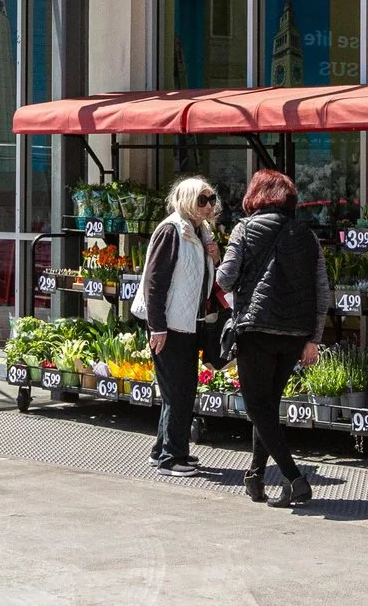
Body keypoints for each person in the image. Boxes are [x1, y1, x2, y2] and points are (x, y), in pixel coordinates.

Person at [216, 167, 329, 507]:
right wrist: (314, 337)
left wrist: (214, 258)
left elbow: (225, 279)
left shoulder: (244, 230)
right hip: (294, 333)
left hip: (257, 329)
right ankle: (254, 476)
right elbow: (322, 291)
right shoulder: (307, 235)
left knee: (257, 406)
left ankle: (294, 479)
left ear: (256, 196)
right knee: (268, 405)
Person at [134, 175, 221, 472]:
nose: (209, 205)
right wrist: (157, 326)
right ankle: (173, 457)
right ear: (186, 200)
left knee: (179, 390)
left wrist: (215, 256)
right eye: (202, 199)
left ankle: (163, 450)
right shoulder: (171, 231)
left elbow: (203, 280)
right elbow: (154, 284)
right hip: (171, 325)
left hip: (189, 322)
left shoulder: (201, 232)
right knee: (179, 392)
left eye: (211, 198)